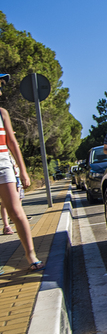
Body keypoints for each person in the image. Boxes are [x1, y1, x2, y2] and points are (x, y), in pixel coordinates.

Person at [0, 73, 44, 272]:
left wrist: (23, 171)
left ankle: (30, 254)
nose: (0, 90)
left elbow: (12, 142)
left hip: (3, 166)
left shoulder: (2, 113)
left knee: (16, 212)